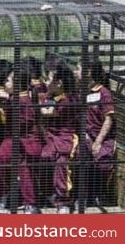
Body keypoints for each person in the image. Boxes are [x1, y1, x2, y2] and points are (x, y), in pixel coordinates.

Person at [0, 61, 42, 214]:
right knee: (8, 159)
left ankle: (3, 198)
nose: (5, 82)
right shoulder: (20, 98)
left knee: (2, 157)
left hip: (23, 141)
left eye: (8, 80)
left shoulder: (19, 101)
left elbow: (20, 122)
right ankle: (26, 203)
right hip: (19, 141)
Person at [40, 61, 79, 214]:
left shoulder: (68, 99)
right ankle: (48, 193)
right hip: (50, 136)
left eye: (49, 79)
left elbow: (48, 112)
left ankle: (64, 200)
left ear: (59, 83)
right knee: (43, 156)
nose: (46, 82)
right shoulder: (50, 95)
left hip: (66, 137)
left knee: (62, 162)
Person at [76, 59, 115, 207]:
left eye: (78, 69)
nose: (76, 72)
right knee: (81, 155)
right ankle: (83, 195)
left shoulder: (104, 93)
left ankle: (99, 192)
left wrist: (98, 141)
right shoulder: (80, 91)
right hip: (85, 135)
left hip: (102, 137)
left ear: (89, 72)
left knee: (103, 161)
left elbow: (108, 119)